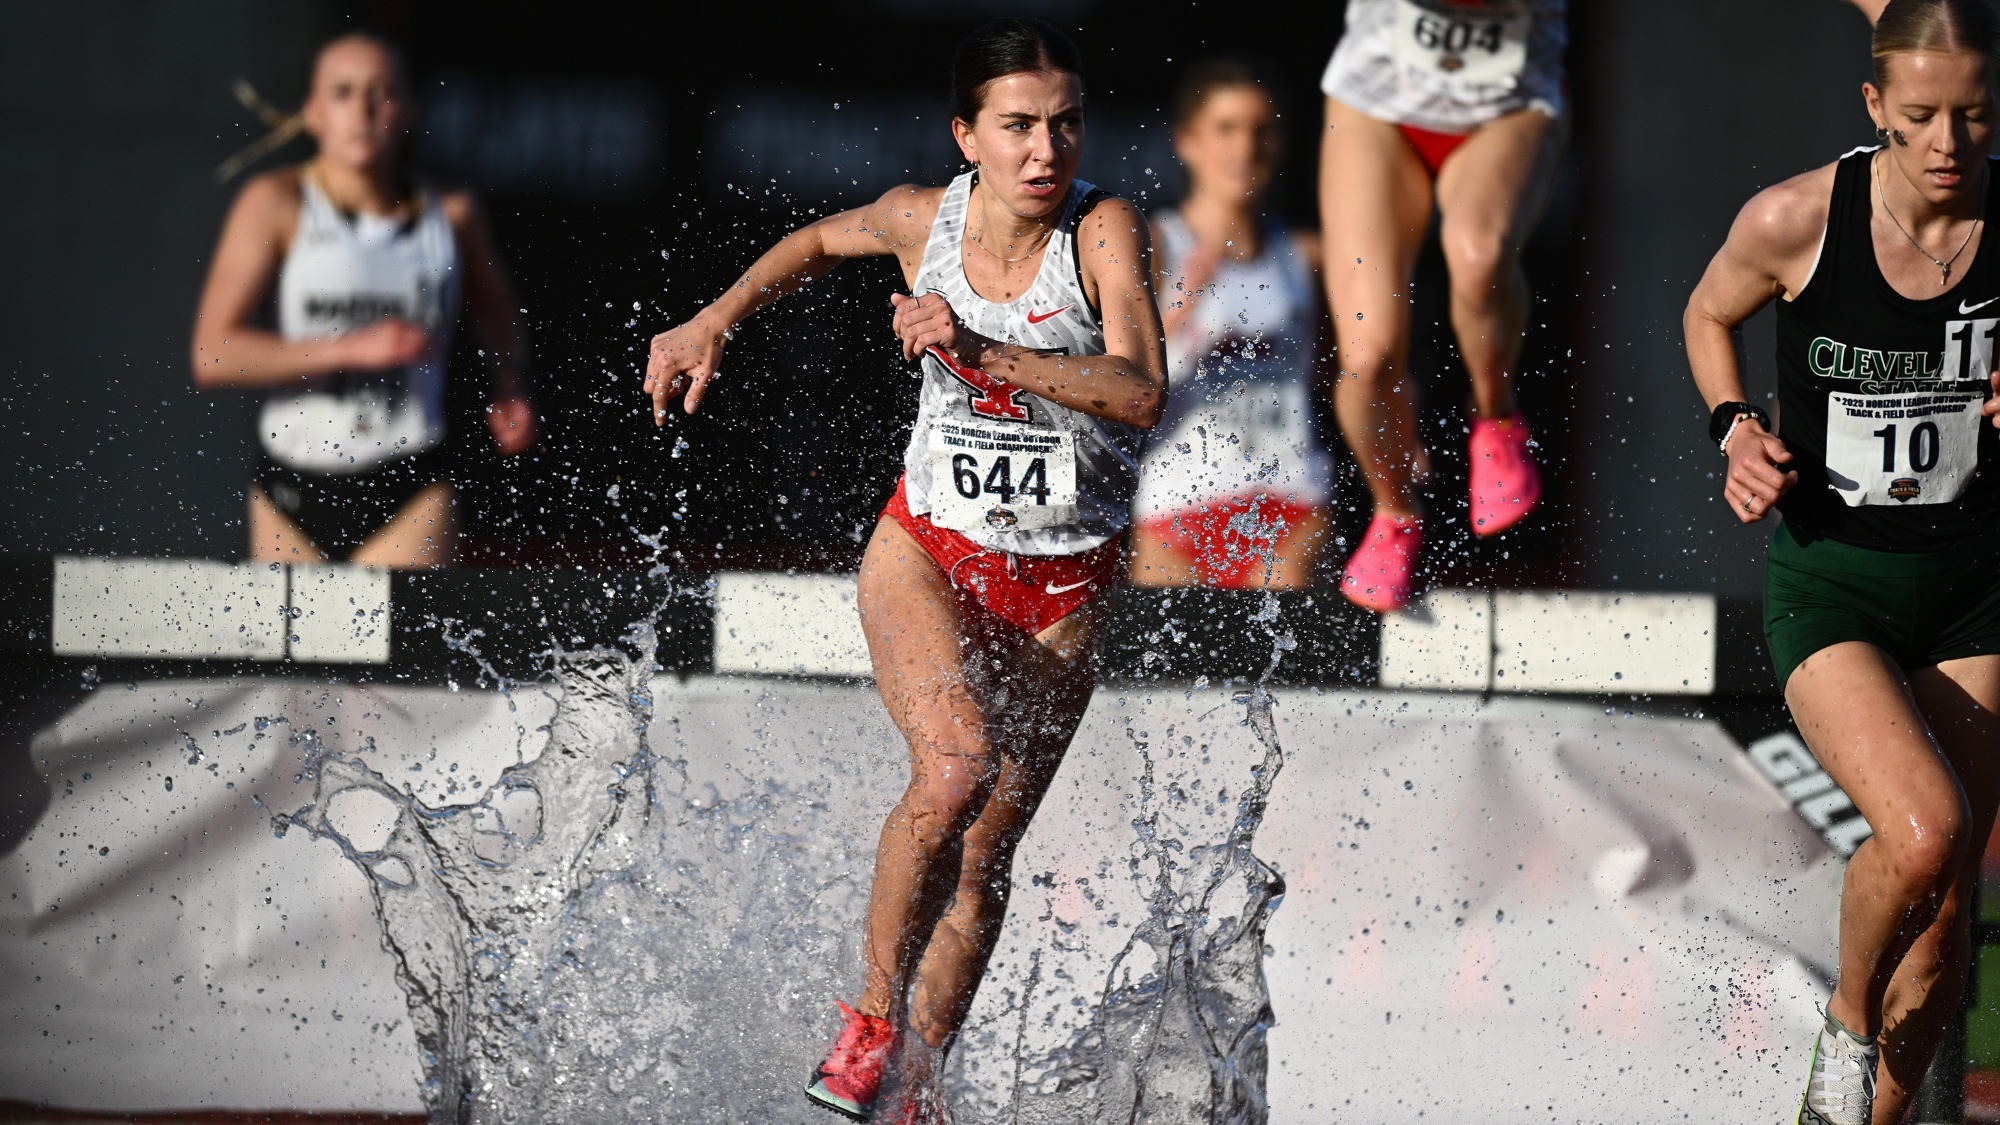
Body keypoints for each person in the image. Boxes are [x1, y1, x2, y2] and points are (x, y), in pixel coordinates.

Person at [642, 19, 1164, 1122]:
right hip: (926, 549)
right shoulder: (922, 219)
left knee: (982, 864)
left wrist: (984, 355)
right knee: (952, 772)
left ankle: (917, 1082)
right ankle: (870, 1027)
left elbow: (1137, 391)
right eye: (1017, 126)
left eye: (1064, 124)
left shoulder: (1103, 230)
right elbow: (819, 243)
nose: (1044, 150)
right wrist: (712, 320)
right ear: (966, 135)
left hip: (1062, 586)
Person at [1683, 2, 2000, 1121]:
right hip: (1833, 583)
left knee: (1946, 914)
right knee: (1923, 833)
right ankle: (1844, 1028)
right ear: (1874, 109)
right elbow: (1705, 311)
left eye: (1971, 117)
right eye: (1919, 118)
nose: (1947, 145)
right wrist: (1731, 427)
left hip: (1975, 589)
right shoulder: (1794, 218)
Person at [191, 32, 535, 568]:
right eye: (343, 92)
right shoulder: (276, 204)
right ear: (312, 112)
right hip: (293, 482)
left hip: (410, 482)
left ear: (409, 111)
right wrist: (350, 348)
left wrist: (510, 382)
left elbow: (496, 309)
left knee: (409, 650)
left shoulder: (453, 213)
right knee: (296, 652)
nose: (363, 110)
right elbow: (214, 355)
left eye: (382, 91)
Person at [1317, 0, 1566, 611]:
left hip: (1507, 109)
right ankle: (1394, 508)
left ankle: (1496, 415)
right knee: (1369, 355)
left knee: (1478, 254)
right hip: (1375, 105)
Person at [1129, 61, 1336, 590]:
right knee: (1168, 662)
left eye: (1260, 130)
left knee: (1282, 653)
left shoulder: (1308, 254)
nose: (1245, 149)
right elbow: (1121, 386)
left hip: (1290, 499)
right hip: (1173, 504)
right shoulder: (1151, 245)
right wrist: (1182, 302)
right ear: (1188, 141)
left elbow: (1349, 372)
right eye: (1225, 129)